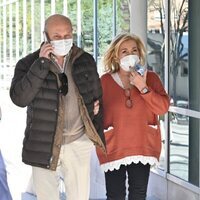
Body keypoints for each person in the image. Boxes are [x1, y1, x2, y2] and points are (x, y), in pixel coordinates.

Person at [10, 14, 106, 200]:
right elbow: (19, 98)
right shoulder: (28, 63)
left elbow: (96, 96)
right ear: (46, 37)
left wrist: (94, 111)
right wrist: (42, 64)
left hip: (79, 142)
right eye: (57, 36)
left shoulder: (84, 60)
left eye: (67, 35)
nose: (63, 40)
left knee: (79, 196)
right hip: (43, 143)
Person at [96, 33, 170, 200]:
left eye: (134, 50)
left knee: (138, 194)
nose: (130, 55)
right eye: (124, 51)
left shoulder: (151, 78)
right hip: (114, 145)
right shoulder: (105, 81)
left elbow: (163, 108)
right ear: (116, 55)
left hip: (142, 144)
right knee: (115, 195)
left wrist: (143, 87)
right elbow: (96, 112)